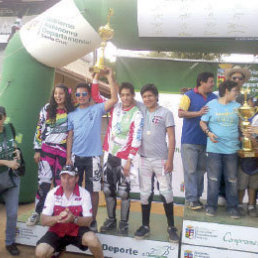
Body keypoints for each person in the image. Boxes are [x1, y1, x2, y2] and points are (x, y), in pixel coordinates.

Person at [66, 67, 118, 232]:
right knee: (72, 189)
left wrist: (109, 76)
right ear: (75, 97)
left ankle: (93, 220)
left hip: (93, 158)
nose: (81, 97)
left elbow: (115, 99)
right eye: (78, 94)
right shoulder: (71, 114)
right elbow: (69, 136)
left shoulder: (97, 108)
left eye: (83, 94)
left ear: (89, 95)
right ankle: (74, 216)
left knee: (93, 190)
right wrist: (68, 157)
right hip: (75, 157)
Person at [90, 82, 144, 235]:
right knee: (107, 190)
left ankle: (124, 222)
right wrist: (96, 78)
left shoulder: (137, 113)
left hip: (126, 158)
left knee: (124, 192)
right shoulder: (115, 107)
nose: (125, 97)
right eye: (123, 95)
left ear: (133, 95)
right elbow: (96, 96)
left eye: (128, 94)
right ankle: (111, 219)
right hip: (109, 155)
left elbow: (136, 139)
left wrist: (129, 160)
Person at [134, 84, 179, 243]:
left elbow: (172, 138)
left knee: (166, 192)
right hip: (144, 159)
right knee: (145, 193)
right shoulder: (140, 110)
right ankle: (145, 226)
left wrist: (170, 159)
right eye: (145, 96)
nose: (147, 99)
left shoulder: (166, 113)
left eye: (150, 96)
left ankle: (171, 227)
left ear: (156, 96)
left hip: (161, 160)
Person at [27, 84, 74, 226]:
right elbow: (39, 127)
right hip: (46, 150)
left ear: (66, 94)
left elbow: (72, 135)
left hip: (63, 152)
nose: (58, 96)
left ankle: (59, 213)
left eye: (61, 93)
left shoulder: (72, 111)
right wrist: (37, 149)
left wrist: (69, 157)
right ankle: (37, 212)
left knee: (61, 183)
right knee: (44, 183)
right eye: (55, 93)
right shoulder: (47, 108)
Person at [35, 165, 104, 258]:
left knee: (93, 241)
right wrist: (57, 218)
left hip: (77, 230)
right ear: (60, 178)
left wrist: (73, 219)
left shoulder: (84, 194)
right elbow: (43, 220)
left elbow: (88, 221)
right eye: (64, 177)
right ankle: (59, 249)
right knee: (40, 252)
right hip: (57, 231)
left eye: (70, 177)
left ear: (76, 178)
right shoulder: (52, 193)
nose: (66, 181)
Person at [200, 80, 241, 218]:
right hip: (214, 150)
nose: (237, 93)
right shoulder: (211, 105)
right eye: (235, 91)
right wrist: (208, 133)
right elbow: (202, 122)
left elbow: (244, 125)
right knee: (213, 179)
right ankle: (211, 206)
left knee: (232, 179)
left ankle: (233, 207)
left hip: (232, 150)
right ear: (227, 91)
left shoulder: (238, 107)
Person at [178, 72, 217, 209]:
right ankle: (191, 199)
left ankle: (197, 198)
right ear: (202, 82)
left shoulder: (214, 97)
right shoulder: (188, 96)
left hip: (207, 141)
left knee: (201, 170)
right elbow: (180, 113)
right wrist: (198, 113)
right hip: (189, 140)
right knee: (190, 171)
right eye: (211, 81)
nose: (213, 84)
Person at [0, 106, 21, 255]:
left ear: (4, 117)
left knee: (13, 213)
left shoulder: (10, 128)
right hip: (4, 170)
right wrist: (7, 163)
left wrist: (17, 151)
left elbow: (16, 141)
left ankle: (10, 242)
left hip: (12, 176)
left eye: (0, 117)